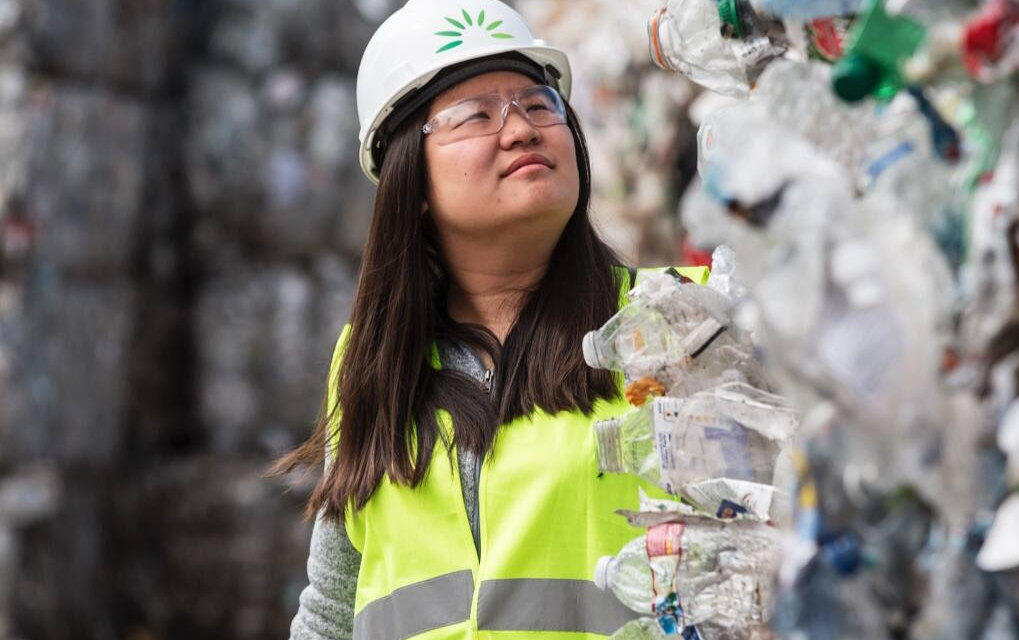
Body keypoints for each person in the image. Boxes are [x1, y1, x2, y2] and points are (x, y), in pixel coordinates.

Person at [273, 1, 707, 638]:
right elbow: (334, 610)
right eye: (476, 115)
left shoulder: (681, 322)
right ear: (411, 184)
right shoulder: (371, 365)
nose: (522, 129)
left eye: (538, 105)